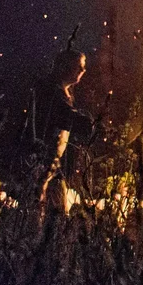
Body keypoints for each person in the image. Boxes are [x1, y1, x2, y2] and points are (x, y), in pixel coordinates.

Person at [34, 49, 94, 215]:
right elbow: (64, 116)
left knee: (58, 213)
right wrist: (91, 125)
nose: (83, 70)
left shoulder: (63, 92)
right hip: (40, 163)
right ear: (64, 66)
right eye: (79, 66)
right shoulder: (51, 91)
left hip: (54, 166)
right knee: (37, 210)